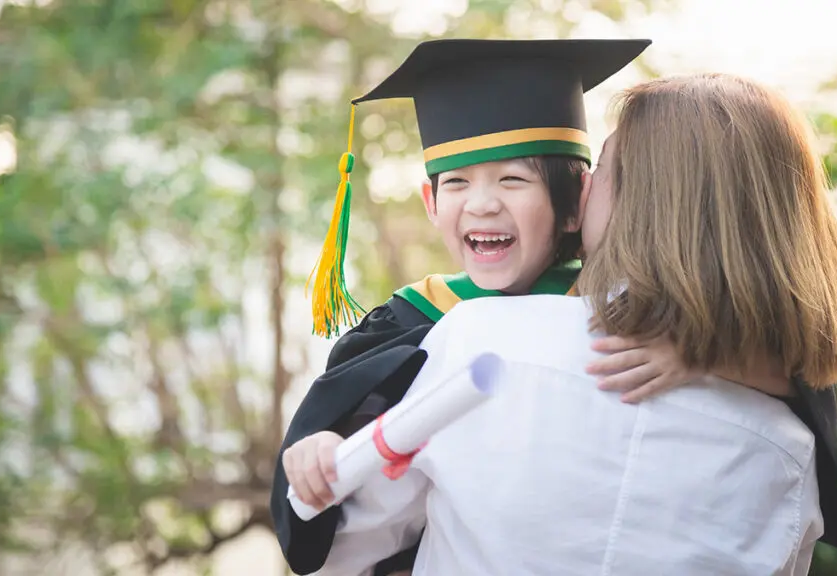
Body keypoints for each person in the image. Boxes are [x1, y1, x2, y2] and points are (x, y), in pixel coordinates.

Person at [314, 72, 837, 575]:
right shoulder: (793, 442)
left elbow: (339, 543)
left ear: (644, 201)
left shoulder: (480, 347)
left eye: (604, 168)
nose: (587, 186)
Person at [271, 38, 704, 576]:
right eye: (456, 182)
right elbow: (330, 483)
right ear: (431, 205)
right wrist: (318, 448)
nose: (481, 203)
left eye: (513, 179)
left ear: (575, 204)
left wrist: (699, 354)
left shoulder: (628, 310)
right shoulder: (410, 323)